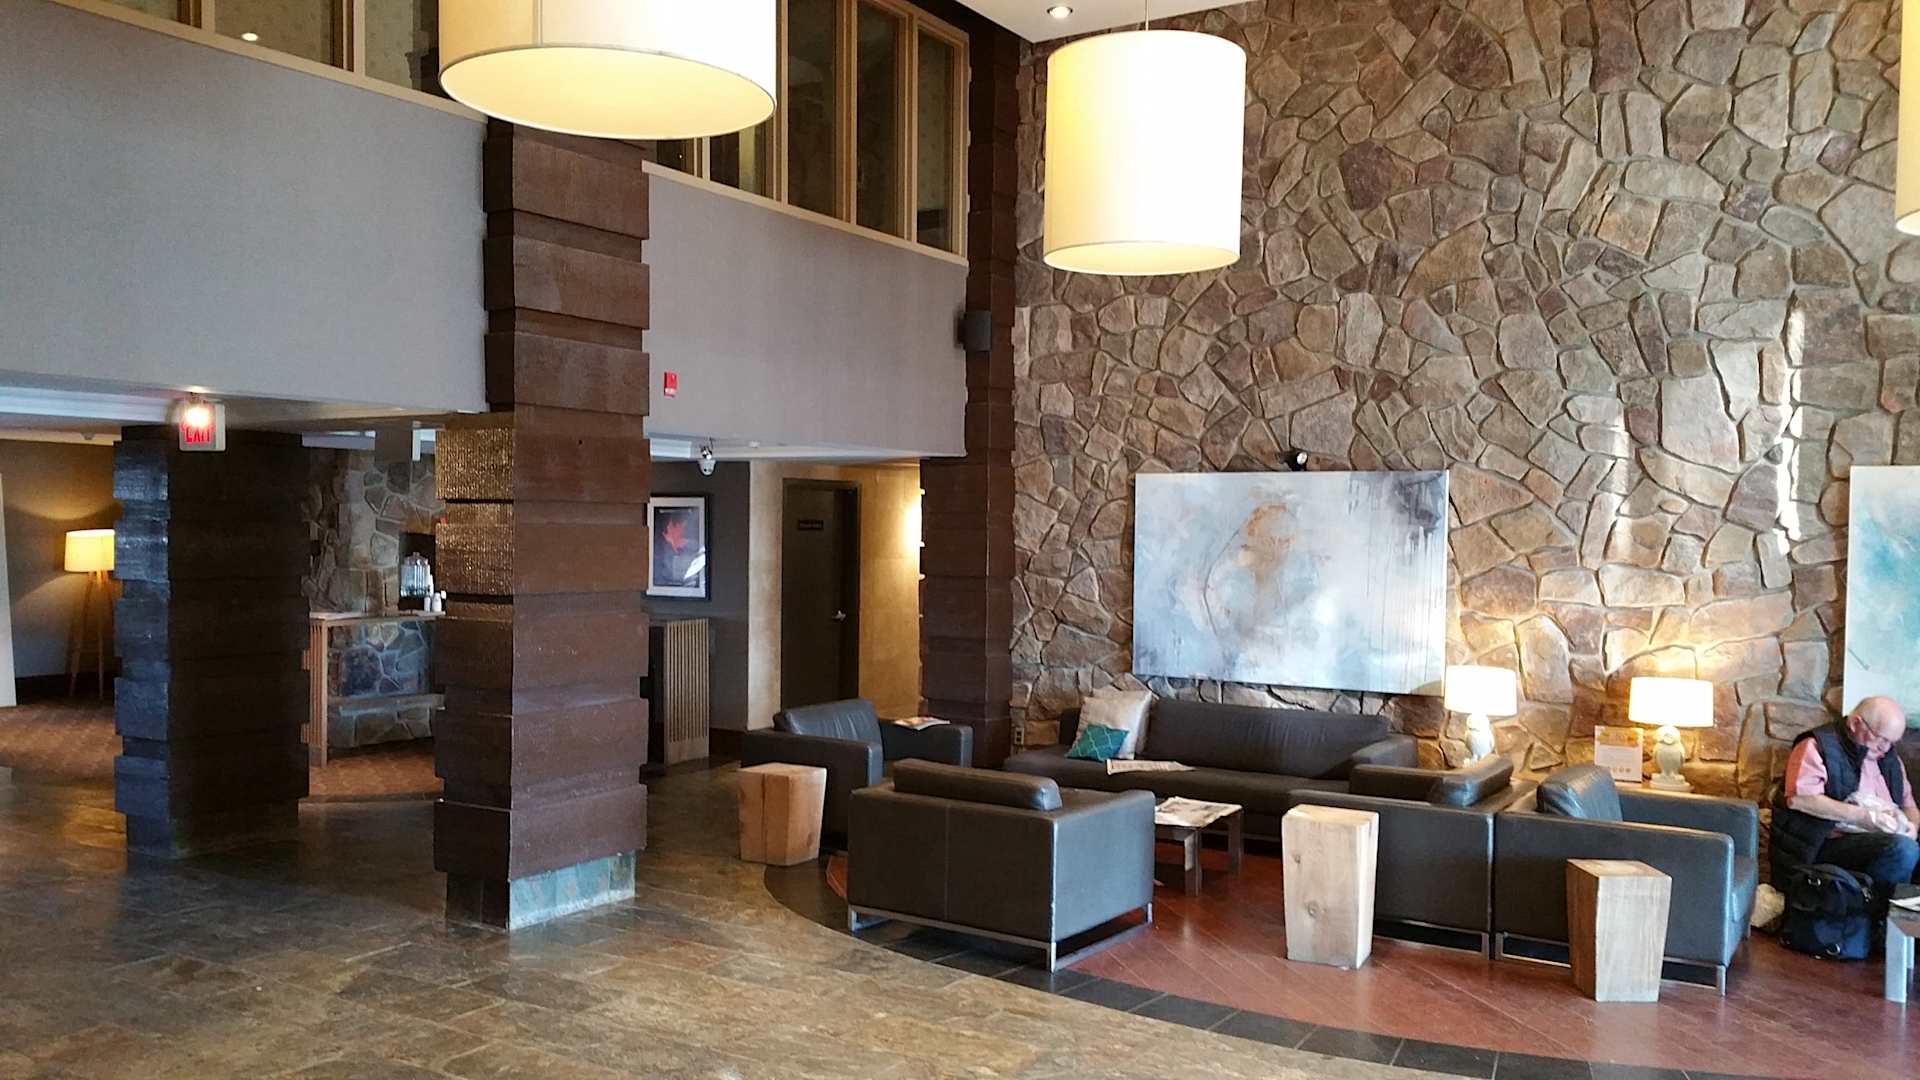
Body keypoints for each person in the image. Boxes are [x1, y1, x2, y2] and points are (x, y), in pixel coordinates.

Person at [1770, 696, 1919, 892]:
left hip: (1876, 841)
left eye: (1892, 742)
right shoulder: (1817, 745)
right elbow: (1800, 800)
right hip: (1822, 844)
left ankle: (1899, 909)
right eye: (1881, 738)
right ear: (1856, 723)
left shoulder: (1889, 758)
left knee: (1906, 845)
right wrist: (1865, 817)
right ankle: (1880, 909)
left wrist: (1912, 827)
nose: (1886, 748)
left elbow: (1909, 806)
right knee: (1902, 849)